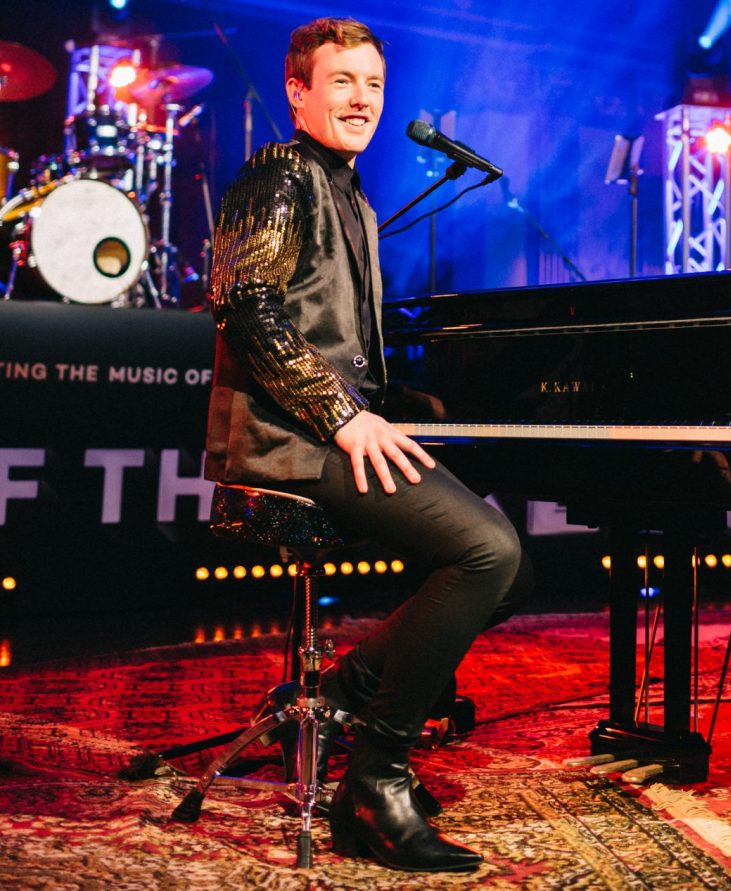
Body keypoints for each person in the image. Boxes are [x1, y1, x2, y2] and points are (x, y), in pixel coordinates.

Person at [203, 17, 531, 873]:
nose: (362, 100)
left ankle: (342, 692)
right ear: (298, 91)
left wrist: (401, 406)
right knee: (488, 551)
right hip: (290, 442)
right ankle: (374, 777)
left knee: (502, 566)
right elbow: (248, 306)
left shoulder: (346, 189)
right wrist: (344, 416)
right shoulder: (278, 175)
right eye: (342, 81)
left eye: (374, 85)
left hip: (330, 431)